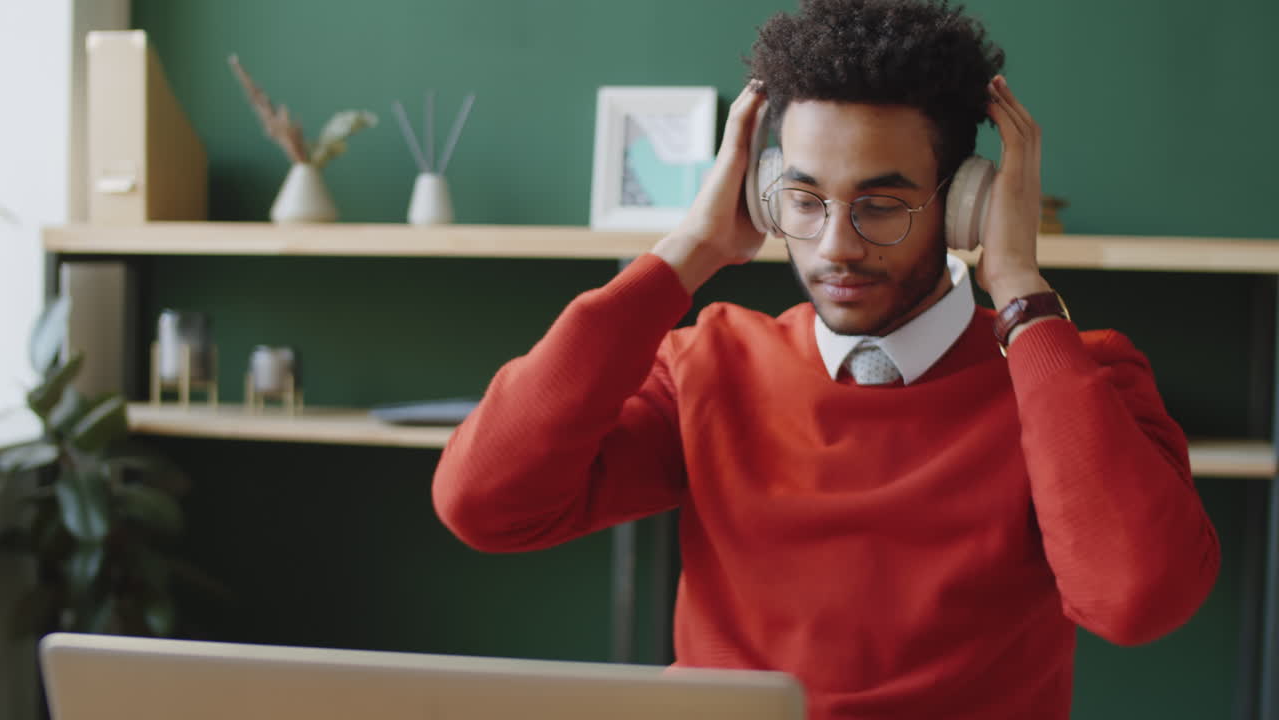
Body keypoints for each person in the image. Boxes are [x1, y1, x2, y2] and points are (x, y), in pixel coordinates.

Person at [432, 0, 1220, 717]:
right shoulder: (710, 363)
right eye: (804, 201)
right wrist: (686, 255)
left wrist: (1019, 291)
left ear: (962, 204)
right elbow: (485, 505)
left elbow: (1138, 602)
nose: (835, 245)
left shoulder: (1075, 378)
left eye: (881, 205)